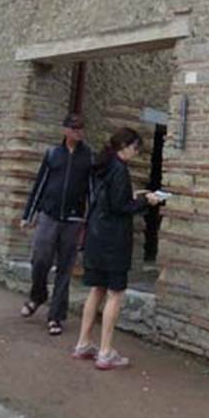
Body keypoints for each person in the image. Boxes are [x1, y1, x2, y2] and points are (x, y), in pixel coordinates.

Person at [72, 127, 162, 370]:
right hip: (113, 241)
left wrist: (133, 195)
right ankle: (105, 352)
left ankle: (83, 343)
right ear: (125, 145)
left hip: (95, 237)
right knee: (115, 294)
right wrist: (146, 200)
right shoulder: (120, 169)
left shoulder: (102, 165)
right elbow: (121, 206)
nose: (135, 153)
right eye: (135, 148)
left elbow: (109, 199)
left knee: (96, 291)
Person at [19, 113, 93, 335]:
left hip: (73, 219)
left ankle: (56, 316)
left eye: (81, 128)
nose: (78, 132)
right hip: (48, 215)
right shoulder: (53, 154)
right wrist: (28, 214)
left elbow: (91, 191)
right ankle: (38, 295)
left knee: (65, 268)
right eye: (74, 128)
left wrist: (88, 222)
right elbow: (39, 185)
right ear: (65, 130)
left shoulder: (88, 156)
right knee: (40, 258)